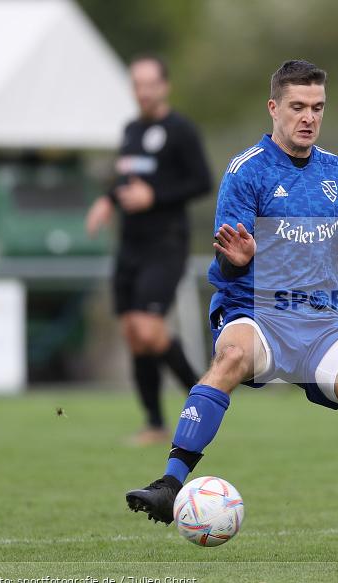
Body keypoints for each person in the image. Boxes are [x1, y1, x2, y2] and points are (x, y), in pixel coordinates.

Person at [125, 60, 338, 562]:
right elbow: (230, 262)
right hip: (254, 312)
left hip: (319, 324)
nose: (308, 117)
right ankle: (170, 484)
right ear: (274, 108)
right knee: (231, 356)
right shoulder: (247, 171)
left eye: (318, 108)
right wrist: (235, 260)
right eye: (298, 107)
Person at [86, 54, 212, 446]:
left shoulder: (181, 131)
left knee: (148, 328)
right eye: (136, 84)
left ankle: (205, 398)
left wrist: (154, 195)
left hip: (165, 243)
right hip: (130, 246)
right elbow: (127, 178)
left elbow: (202, 182)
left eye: (149, 83)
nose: (142, 91)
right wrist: (108, 199)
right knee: (133, 334)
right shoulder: (130, 130)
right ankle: (155, 425)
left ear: (164, 85)